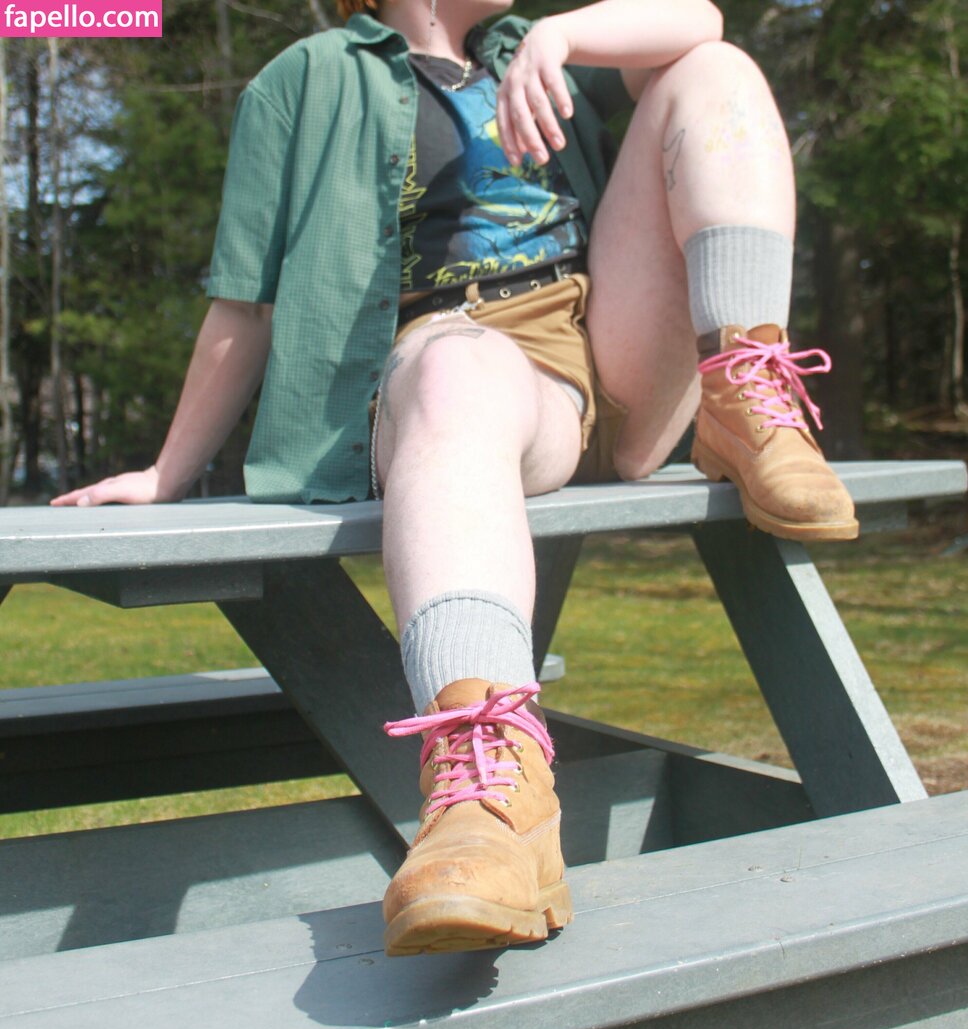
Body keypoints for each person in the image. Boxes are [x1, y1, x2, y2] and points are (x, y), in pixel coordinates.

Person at [53, 0, 858, 956]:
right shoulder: (307, 78)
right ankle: (488, 789)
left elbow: (698, 16)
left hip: (606, 359)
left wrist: (562, 36)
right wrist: (166, 471)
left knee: (714, 67)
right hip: (452, 370)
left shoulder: (545, 57)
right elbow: (246, 304)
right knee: (455, 369)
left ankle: (746, 390)